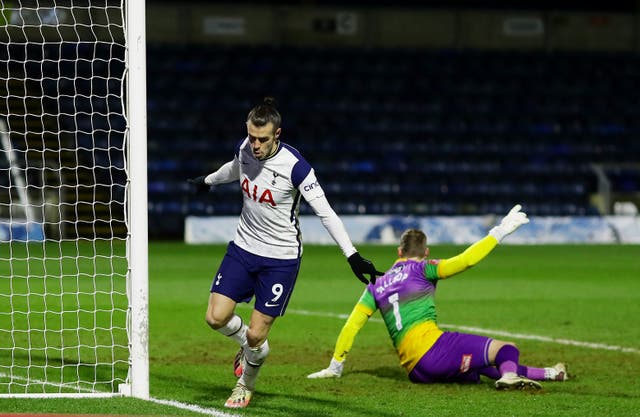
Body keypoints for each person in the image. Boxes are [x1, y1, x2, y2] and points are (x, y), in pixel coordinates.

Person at [188, 97, 383, 408]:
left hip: (280, 259)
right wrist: (208, 181)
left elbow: (326, 213)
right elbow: (236, 168)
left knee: (256, 334)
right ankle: (253, 351)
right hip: (243, 247)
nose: (255, 145)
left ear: (277, 134)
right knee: (215, 317)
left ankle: (244, 385)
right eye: (251, 137)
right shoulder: (245, 148)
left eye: (262, 139)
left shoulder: (296, 167)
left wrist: (352, 255)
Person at [307, 205, 569, 390]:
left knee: (484, 366)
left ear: (399, 251)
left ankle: (551, 373)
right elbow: (465, 261)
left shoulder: (376, 283)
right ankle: (510, 377)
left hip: (416, 372)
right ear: (426, 251)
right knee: (507, 349)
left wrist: (335, 366)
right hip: (434, 352)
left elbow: (351, 325)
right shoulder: (424, 268)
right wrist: (498, 232)